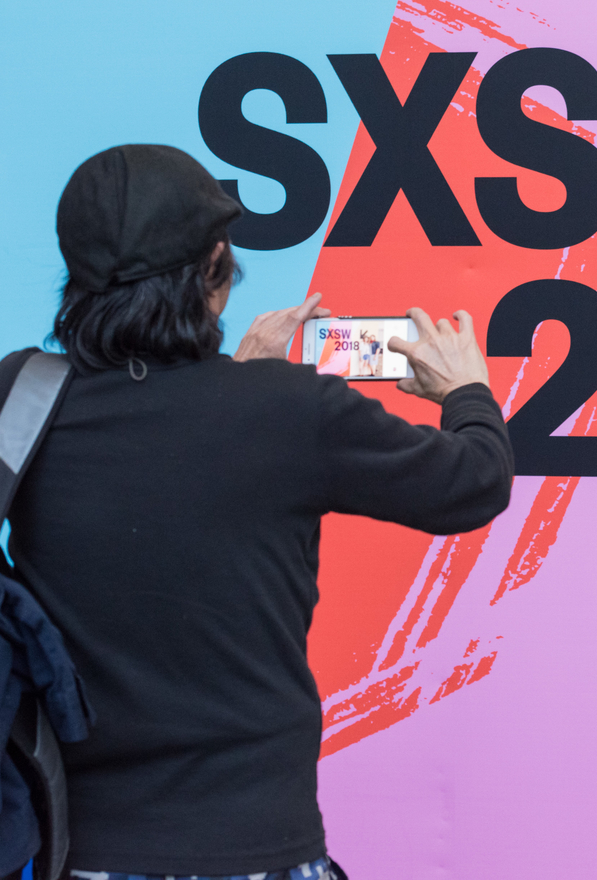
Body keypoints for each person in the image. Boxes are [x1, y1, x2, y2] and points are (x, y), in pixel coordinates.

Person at [4, 144, 515, 879]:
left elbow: (160, 455)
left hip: (83, 851)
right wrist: (465, 391)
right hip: (258, 846)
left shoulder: (21, 397)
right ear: (215, 266)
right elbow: (474, 481)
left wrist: (241, 383)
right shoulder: (288, 411)